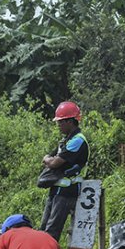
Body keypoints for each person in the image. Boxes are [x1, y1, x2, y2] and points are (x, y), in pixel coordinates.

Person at [39, 101, 89, 241]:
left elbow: (54, 162)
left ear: (70, 121)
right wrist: (49, 159)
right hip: (57, 190)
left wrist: (50, 160)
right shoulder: (66, 141)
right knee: (44, 228)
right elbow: (48, 156)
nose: (58, 125)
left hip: (67, 192)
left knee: (52, 231)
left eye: (61, 122)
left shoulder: (77, 141)